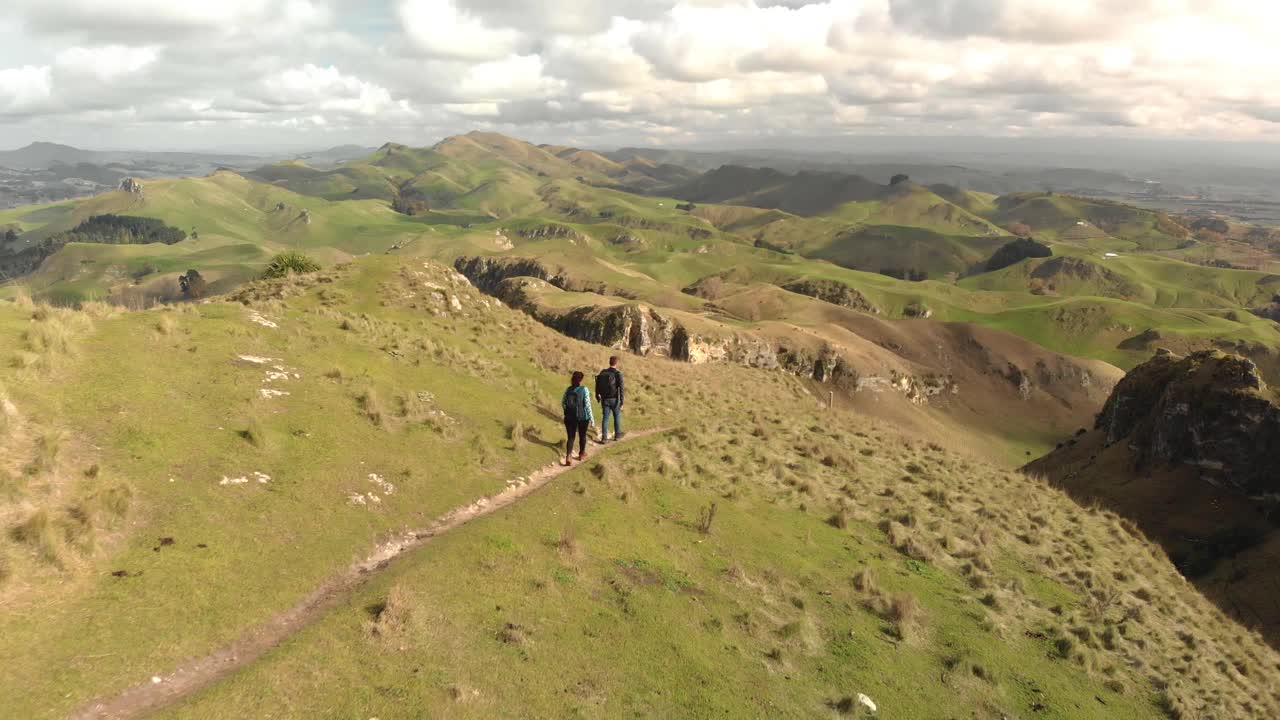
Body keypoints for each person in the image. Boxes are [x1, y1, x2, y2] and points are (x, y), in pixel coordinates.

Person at [561, 370, 594, 465]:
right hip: (582, 417)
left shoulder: (568, 389)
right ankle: (581, 453)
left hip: (569, 417)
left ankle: (568, 456)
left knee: (570, 437)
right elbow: (587, 405)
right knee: (582, 436)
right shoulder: (584, 389)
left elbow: (563, 402)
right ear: (581, 379)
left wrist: (567, 411)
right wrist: (591, 418)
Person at [595, 355, 624, 442]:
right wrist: (622, 402)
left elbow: (597, 384)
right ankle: (617, 435)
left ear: (609, 362)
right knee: (617, 416)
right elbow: (621, 388)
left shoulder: (602, 372)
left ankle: (604, 438)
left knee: (605, 418)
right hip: (615, 399)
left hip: (604, 399)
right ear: (616, 363)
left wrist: (597, 396)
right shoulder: (618, 374)